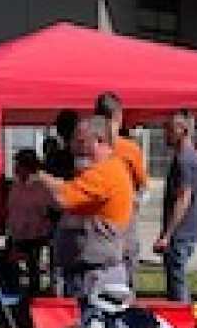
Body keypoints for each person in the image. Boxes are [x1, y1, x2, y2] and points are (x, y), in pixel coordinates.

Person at [36, 116, 135, 298]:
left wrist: (38, 176)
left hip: (97, 275)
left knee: (94, 324)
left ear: (99, 141)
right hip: (89, 271)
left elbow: (62, 197)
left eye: (80, 141)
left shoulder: (103, 173)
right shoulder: (101, 171)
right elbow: (70, 191)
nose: (73, 147)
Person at [95, 92, 148, 286]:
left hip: (97, 217)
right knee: (126, 262)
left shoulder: (89, 145)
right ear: (119, 116)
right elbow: (143, 185)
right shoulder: (130, 149)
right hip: (124, 217)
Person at [152, 110, 197, 303]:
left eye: (169, 128)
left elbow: (184, 198)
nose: (165, 133)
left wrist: (167, 234)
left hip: (181, 232)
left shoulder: (185, 160)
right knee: (176, 279)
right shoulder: (194, 157)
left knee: (177, 282)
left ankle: (183, 321)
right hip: (186, 230)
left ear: (182, 130)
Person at [4, 148, 53, 297]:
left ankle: (34, 298)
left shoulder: (42, 186)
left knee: (34, 272)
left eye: (18, 164)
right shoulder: (15, 185)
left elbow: (47, 210)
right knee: (14, 271)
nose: (15, 168)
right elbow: (11, 209)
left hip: (36, 236)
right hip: (16, 235)